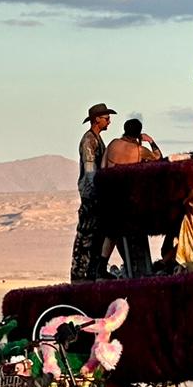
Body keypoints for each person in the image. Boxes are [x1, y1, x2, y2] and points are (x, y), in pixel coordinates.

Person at [70, 103, 115, 281]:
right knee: (87, 236)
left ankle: (93, 272)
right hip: (91, 197)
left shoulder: (96, 139)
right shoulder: (89, 141)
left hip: (96, 195)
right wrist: (95, 196)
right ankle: (81, 273)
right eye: (106, 118)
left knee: (97, 235)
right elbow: (90, 172)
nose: (109, 122)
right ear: (97, 119)